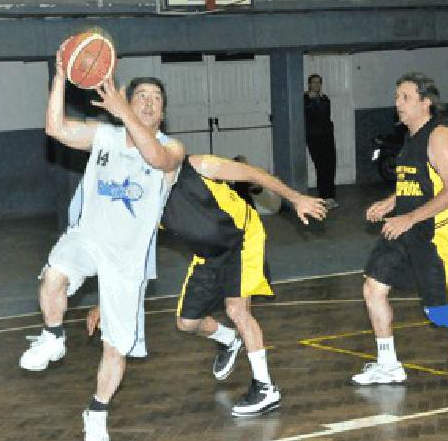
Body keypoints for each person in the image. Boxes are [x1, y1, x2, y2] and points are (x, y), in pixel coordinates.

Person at [18, 43, 185, 441]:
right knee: (53, 276)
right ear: (129, 100)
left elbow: (156, 156)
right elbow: (56, 129)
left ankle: (96, 413)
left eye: (155, 99)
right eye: (140, 96)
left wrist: (123, 108)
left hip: (127, 262)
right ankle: (54, 336)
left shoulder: (174, 149)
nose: (148, 103)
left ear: (162, 112)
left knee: (116, 346)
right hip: (88, 239)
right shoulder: (106, 136)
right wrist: (59, 75)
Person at [88, 154, 327, 417]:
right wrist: (104, 303)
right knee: (187, 323)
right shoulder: (146, 203)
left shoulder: (198, 166)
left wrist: (296, 199)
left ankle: (265, 387)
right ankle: (227, 340)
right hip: (209, 254)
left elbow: (252, 173)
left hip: (242, 239)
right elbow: (132, 256)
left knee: (237, 309)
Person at [351, 72, 448, 386]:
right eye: (396, 97)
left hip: (429, 234)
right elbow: (415, 184)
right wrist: (391, 203)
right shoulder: (412, 138)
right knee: (372, 288)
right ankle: (388, 364)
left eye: (405, 97)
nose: (397, 104)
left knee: (441, 314)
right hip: (402, 229)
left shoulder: (439, 135)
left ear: (425, 102)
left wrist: (409, 218)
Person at [304, 74, 338, 209]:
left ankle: (330, 196)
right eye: (314, 82)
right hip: (314, 138)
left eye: (319, 82)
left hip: (327, 137)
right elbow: (309, 114)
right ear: (309, 84)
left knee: (330, 164)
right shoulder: (304, 99)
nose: (317, 85)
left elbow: (326, 115)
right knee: (321, 166)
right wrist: (313, 101)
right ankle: (324, 196)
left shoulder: (325, 99)